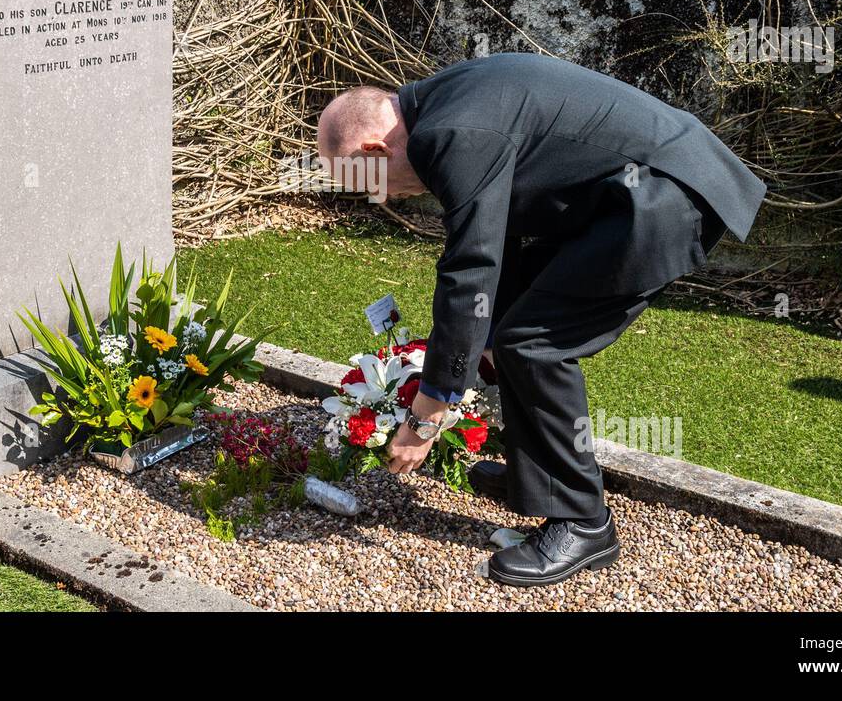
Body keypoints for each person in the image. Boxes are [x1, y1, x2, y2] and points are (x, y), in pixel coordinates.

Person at [316, 53, 766, 587]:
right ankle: (540, 480)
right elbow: (496, 238)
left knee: (535, 343)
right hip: (632, 191)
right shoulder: (439, 107)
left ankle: (584, 521)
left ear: (374, 149)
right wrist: (480, 343)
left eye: (368, 181)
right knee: (513, 334)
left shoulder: (451, 133)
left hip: (665, 195)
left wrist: (426, 414)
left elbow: (470, 269)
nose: (378, 196)